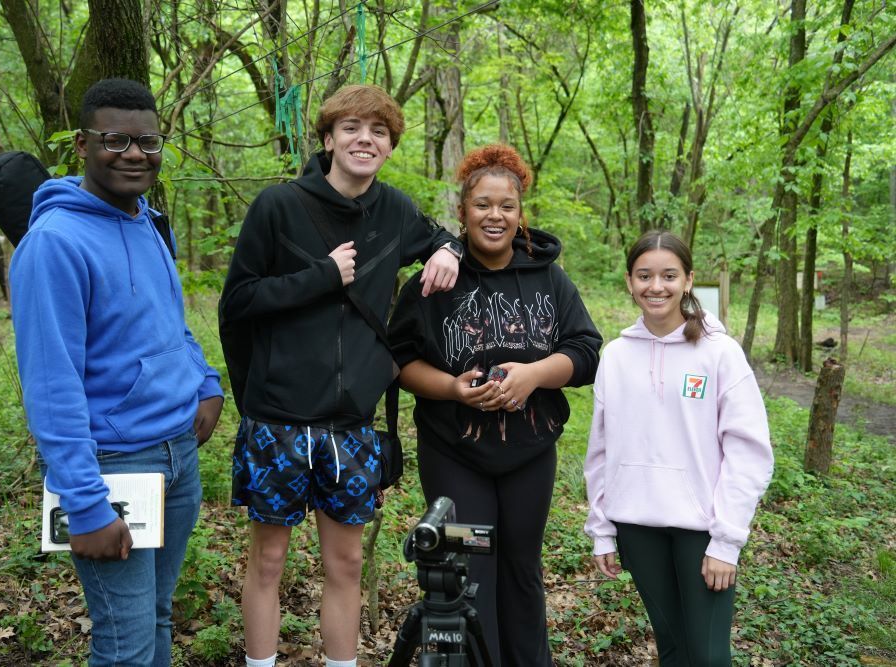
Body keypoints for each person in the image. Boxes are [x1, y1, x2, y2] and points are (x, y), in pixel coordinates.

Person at [219, 84, 462, 667]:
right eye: (351, 128)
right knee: (269, 561)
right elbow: (239, 302)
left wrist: (448, 249)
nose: (365, 139)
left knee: (346, 563)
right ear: (328, 140)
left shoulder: (396, 212)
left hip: (350, 424)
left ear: (389, 147)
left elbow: (441, 236)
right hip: (277, 419)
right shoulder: (278, 207)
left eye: (379, 132)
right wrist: (321, 277)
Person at [10, 78, 224, 667]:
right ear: (82, 145)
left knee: (156, 617)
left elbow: (169, 323)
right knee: (125, 646)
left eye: (148, 141)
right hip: (114, 466)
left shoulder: (148, 222)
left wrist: (205, 381)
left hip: (177, 455)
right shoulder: (54, 244)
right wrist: (84, 504)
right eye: (115, 140)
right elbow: (51, 386)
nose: (134, 153)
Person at [387, 144, 602, 665]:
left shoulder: (549, 277)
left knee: (522, 570)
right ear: (461, 212)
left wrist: (533, 375)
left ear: (520, 212)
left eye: (506, 205)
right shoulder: (433, 282)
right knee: (466, 572)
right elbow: (398, 360)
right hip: (454, 450)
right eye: (482, 204)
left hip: (530, 452)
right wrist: (453, 389)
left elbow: (586, 351)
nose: (495, 215)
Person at [583, 230, 774, 666]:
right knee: (671, 648)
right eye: (644, 275)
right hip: (637, 525)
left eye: (669, 275)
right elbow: (601, 451)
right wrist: (602, 528)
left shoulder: (719, 353)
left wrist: (726, 540)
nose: (656, 286)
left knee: (707, 656)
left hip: (702, 530)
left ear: (688, 280)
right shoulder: (615, 356)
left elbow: (749, 452)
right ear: (630, 281)